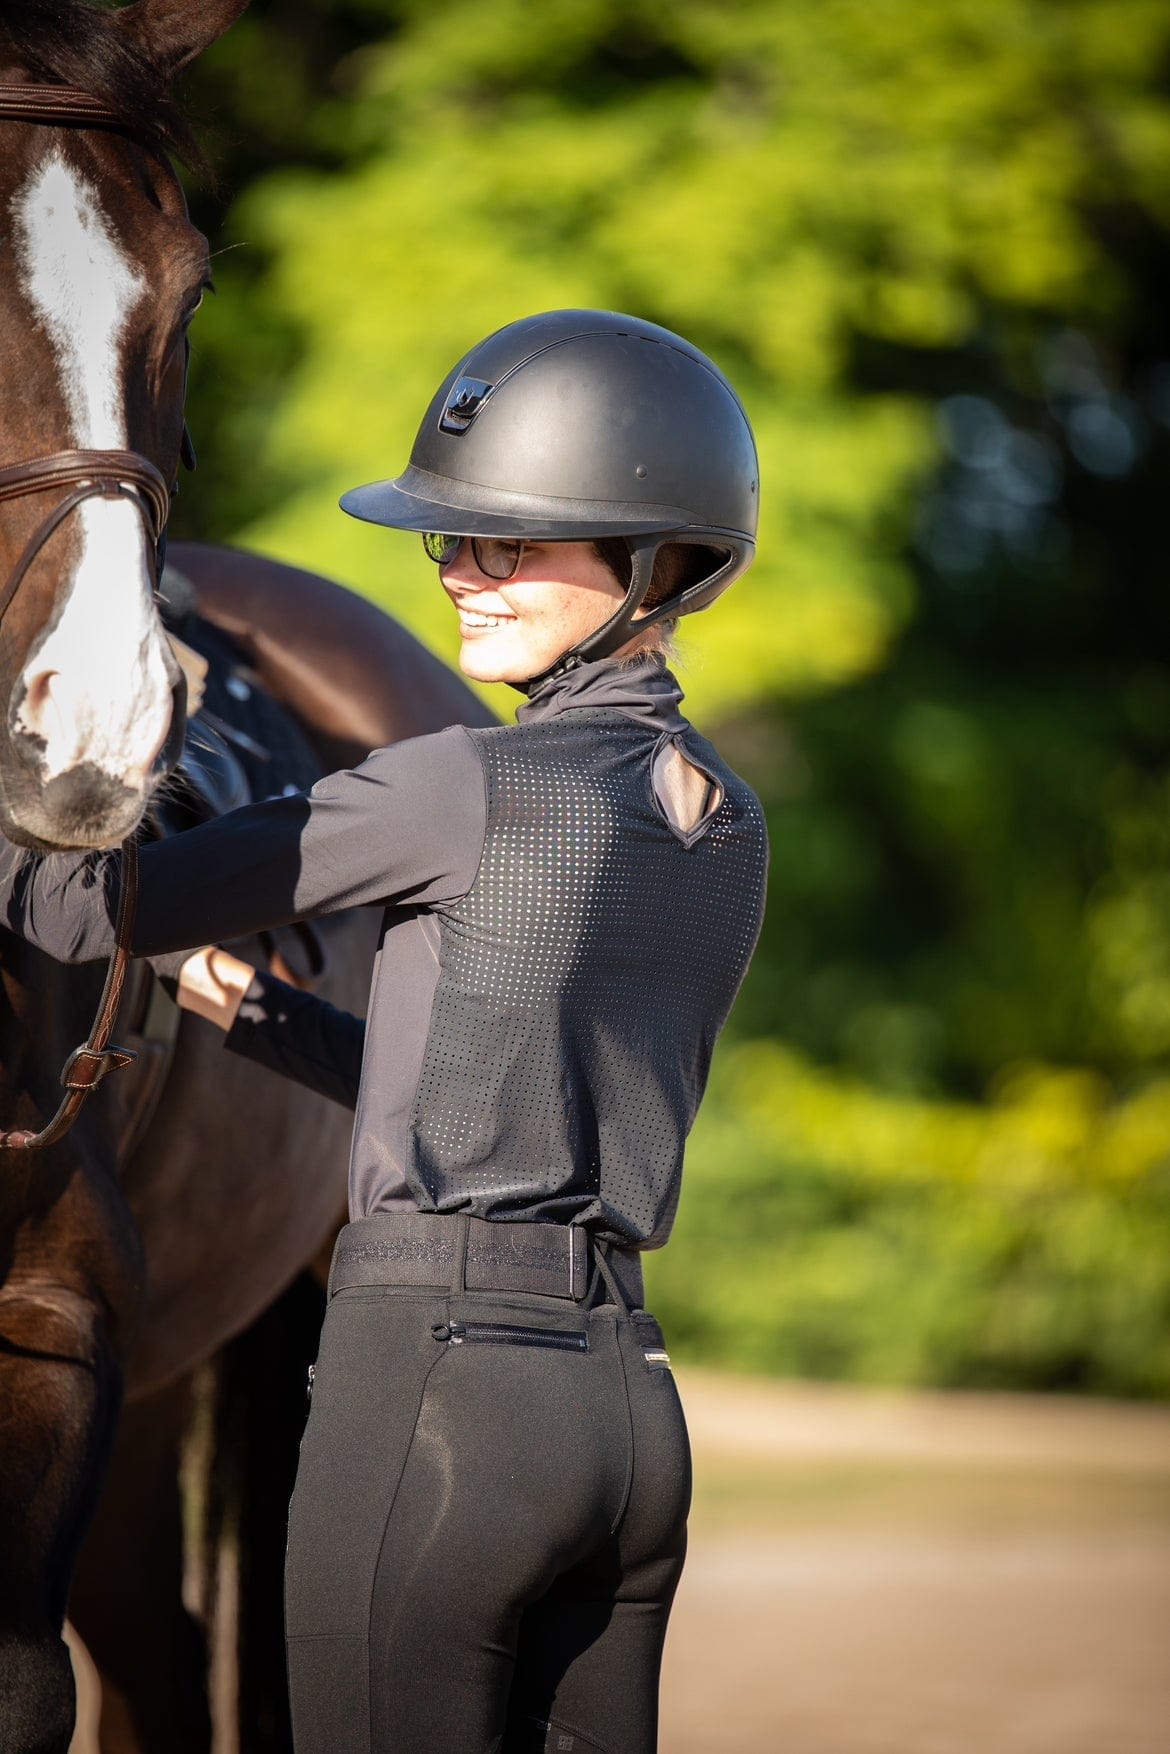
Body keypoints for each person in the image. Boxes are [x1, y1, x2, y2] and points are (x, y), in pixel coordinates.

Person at [2, 309, 768, 1753]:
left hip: (433, 1391)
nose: (460, 572)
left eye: (507, 543)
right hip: (625, 1413)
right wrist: (256, 1008)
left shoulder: (451, 785)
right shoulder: (723, 816)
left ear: (655, 562)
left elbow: (78, 911)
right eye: (451, 542)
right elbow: (488, 1098)